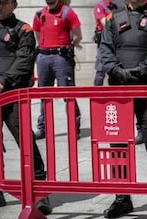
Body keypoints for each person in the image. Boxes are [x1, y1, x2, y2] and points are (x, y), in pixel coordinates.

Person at [0, 0, 51, 215]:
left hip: (14, 96)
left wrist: (1, 82)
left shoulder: (23, 30)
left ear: (14, 4)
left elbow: (24, 61)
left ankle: (41, 191)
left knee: (24, 139)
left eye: (4, 3)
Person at [100, 0, 147, 219]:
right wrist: (117, 71)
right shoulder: (112, 19)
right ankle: (122, 197)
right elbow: (105, 51)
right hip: (119, 93)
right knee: (118, 147)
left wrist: (139, 71)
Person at [32, 0, 82, 140]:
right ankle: (43, 128)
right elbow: (37, 34)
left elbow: (78, 35)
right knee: (44, 94)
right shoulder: (39, 14)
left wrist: (69, 47)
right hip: (43, 57)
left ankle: (74, 127)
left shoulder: (67, 12)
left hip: (61, 57)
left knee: (68, 93)